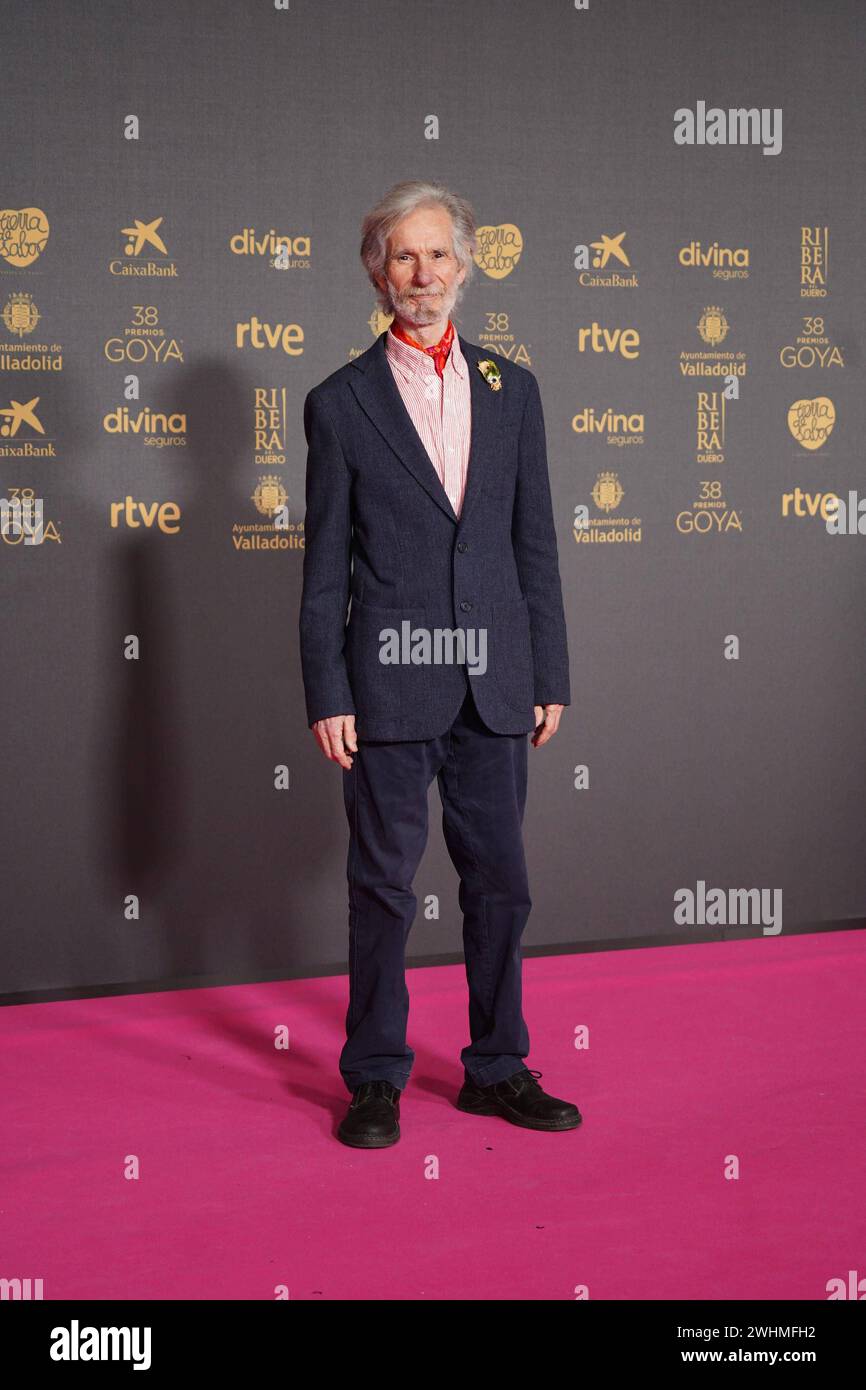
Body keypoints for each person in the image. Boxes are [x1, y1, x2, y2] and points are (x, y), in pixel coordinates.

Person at [299, 180, 582, 1147]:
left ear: (466, 266)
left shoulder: (516, 391)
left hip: (496, 680)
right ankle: (374, 1075)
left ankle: (496, 1068)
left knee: (500, 881)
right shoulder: (339, 406)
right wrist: (327, 690)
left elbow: (532, 544)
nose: (422, 274)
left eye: (438, 255)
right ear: (379, 274)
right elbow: (322, 568)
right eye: (403, 257)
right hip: (386, 682)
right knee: (382, 886)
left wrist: (549, 671)